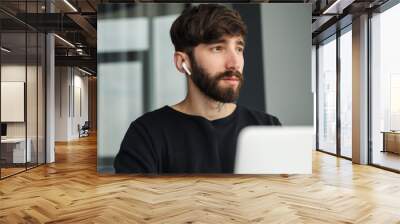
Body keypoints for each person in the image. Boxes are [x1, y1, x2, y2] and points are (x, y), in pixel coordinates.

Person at [114, 4, 281, 174]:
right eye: (218, 48)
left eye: (239, 49)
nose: (235, 63)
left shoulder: (269, 127)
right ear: (182, 63)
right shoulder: (146, 134)